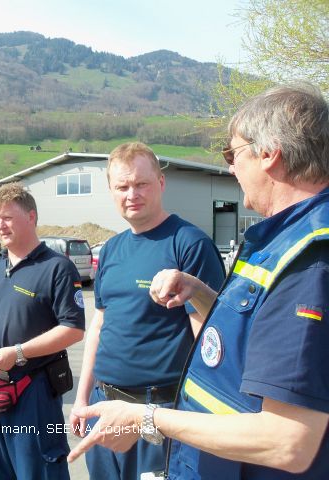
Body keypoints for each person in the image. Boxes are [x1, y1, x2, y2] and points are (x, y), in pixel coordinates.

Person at [68, 84, 329, 479]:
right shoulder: (280, 242)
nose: (229, 168)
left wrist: (149, 419)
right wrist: (203, 294)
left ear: (269, 154)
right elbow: (237, 340)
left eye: (233, 154)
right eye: (121, 186)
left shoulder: (309, 259)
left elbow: (287, 440)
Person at [69, 142, 225, 480]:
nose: (131, 194)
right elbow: (100, 325)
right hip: (105, 407)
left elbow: (210, 339)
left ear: (161, 184)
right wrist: (82, 399)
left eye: (141, 184)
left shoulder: (189, 244)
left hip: (157, 416)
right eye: (122, 186)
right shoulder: (111, 249)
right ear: (111, 190)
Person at [0, 182, 85, 479]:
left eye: (7, 217)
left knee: (39, 472)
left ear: (31, 217)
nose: (0, 225)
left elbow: (73, 329)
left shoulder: (57, 268)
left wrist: (18, 352)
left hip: (33, 393)